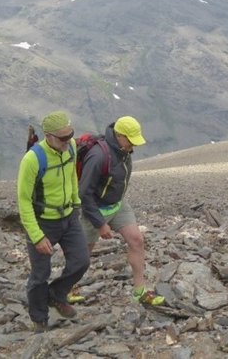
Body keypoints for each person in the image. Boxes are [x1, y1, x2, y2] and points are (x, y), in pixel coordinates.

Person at [76, 115, 164, 306]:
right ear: (119, 135)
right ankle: (66, 290)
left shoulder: (124, 151)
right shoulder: (98, 156)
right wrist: (100, 223)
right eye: (131, 141)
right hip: (94, 211)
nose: (134, 146)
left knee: (137, 240)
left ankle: (140, 291)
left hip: (118, 205)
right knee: (83, 256)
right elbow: (84, 193)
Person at [17, 111, 90, 332]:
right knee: (40, 274)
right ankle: (39, 318)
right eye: (63, 138)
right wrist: (37, 236)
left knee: (81, 262)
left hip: (69, 217)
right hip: (43, 224)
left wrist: (76, 203)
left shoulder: (72, 147)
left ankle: (56, 295)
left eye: (71, 136)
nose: (68, 142)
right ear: (48, 136)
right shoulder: (32, 159)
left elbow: (71, 176)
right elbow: (23, 201)